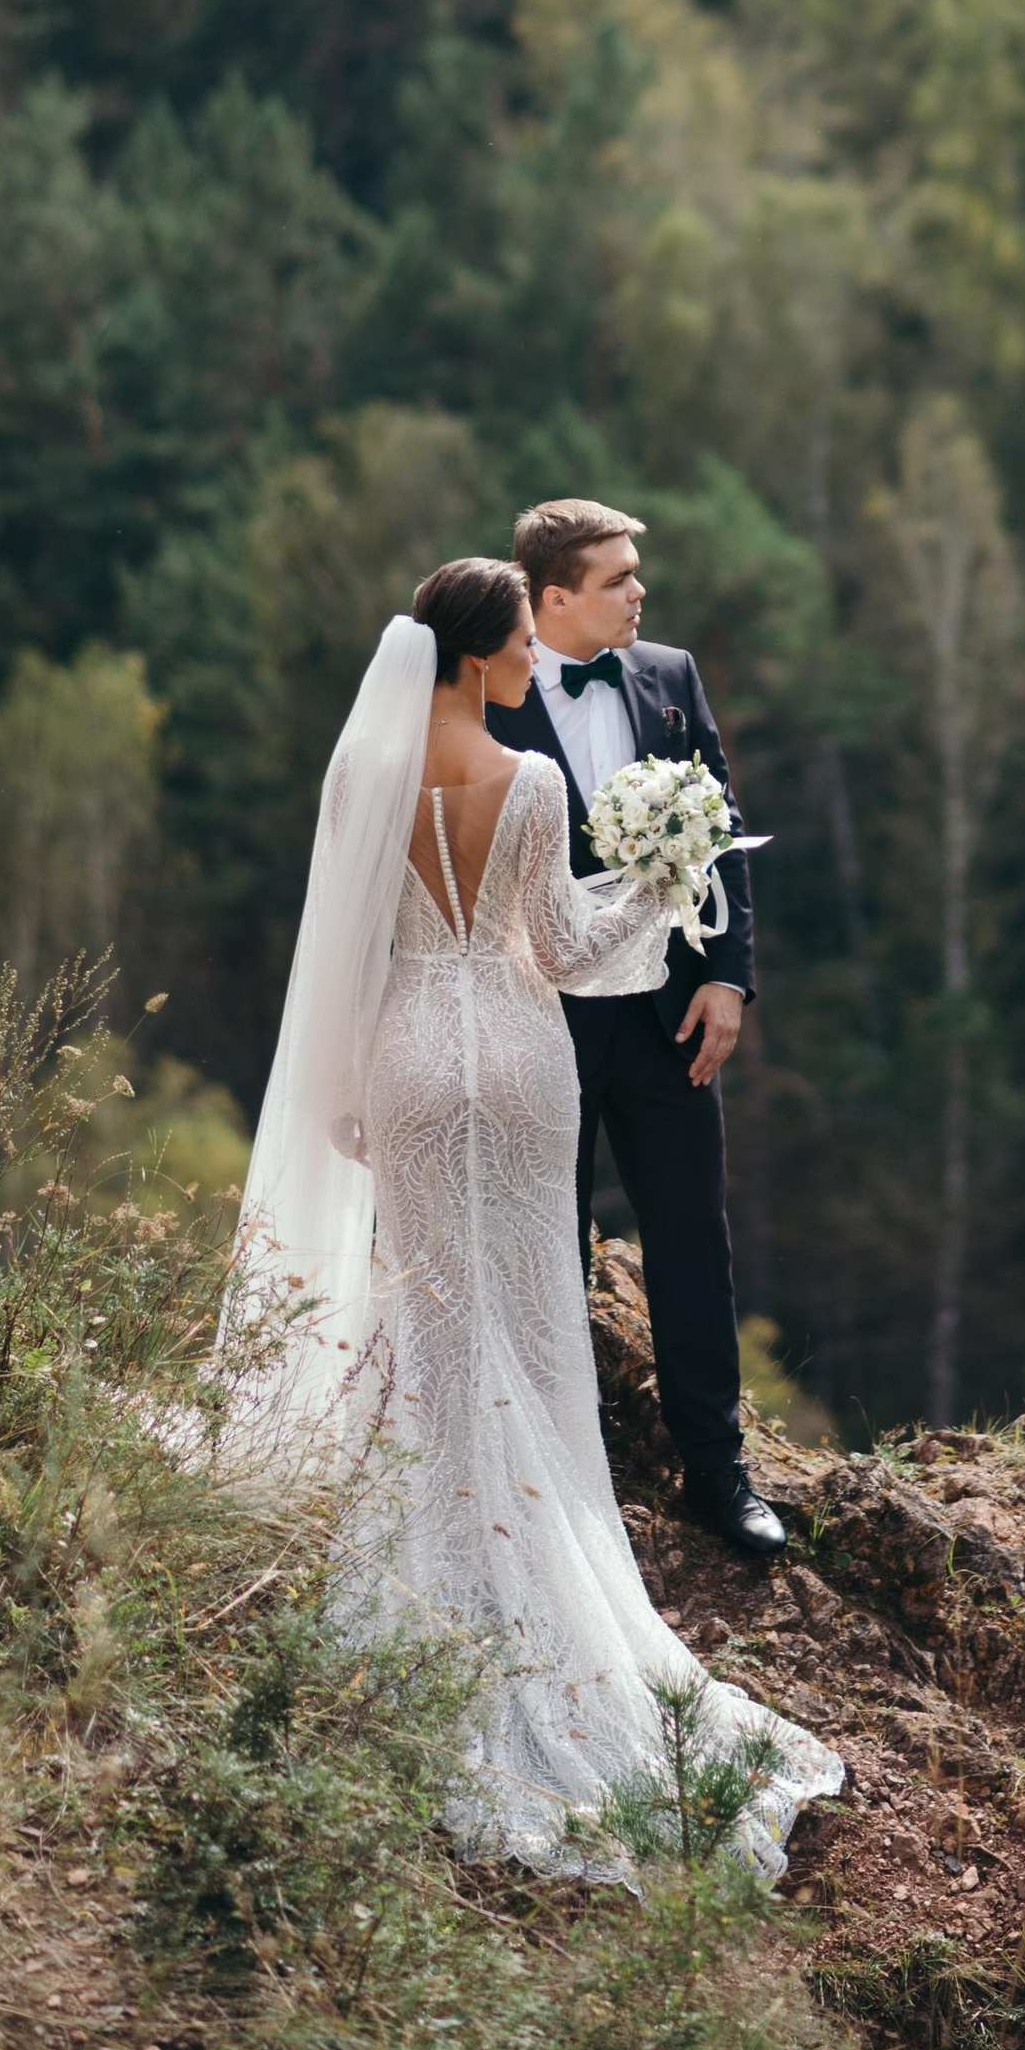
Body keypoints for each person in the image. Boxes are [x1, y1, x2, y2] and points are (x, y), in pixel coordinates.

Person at [218, 556, 840, 1879]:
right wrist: (663, 880)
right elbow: (558, 947)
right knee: (533, 1308)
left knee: (430, 1307)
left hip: (408, 1055)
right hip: (515, 1057)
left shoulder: (359, 776)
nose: (525, 665)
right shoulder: (534, 780)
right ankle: (544, 1559)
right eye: (515, 645)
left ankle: (435, 1553)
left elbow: (343, 951)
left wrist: (349, 1088)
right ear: (481, 651)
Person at [483, 497, 785, 1559]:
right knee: (547, 1245)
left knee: (693, 1237)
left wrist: (728, 979)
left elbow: (721, 829)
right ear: (553, 598)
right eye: (617, 579)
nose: (639, 592)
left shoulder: (669, 675)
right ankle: (562, 1482)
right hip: (539, 1017)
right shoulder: (482, 694)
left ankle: (719, 1472)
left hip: (669, 1014)